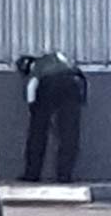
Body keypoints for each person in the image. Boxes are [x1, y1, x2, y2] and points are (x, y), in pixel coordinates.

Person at [17, 51, 87, 184]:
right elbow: (81, 78)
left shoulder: (36, 67)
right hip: (75, 84)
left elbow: (31, 88)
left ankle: (32, 174)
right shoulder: (61, 59)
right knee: (69, 134)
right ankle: (64, 175)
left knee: (37, 133)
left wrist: (35, 112)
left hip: (49, 85)